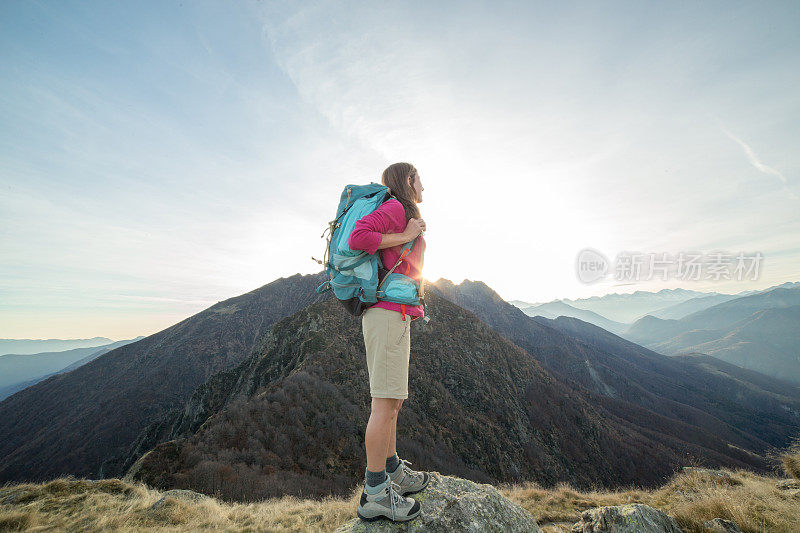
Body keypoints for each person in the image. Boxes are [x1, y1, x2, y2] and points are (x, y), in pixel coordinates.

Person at [348, 162, 430, 522]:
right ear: (408, 180)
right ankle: (375, 493)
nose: (424, 185)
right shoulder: (396, 208)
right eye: (420, 178)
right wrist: (406, 233)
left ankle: (393, 470)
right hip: (385, 315)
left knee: (393, 401)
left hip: (396, 315)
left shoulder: (401, 211)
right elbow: (359, 237)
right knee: (383, 404)